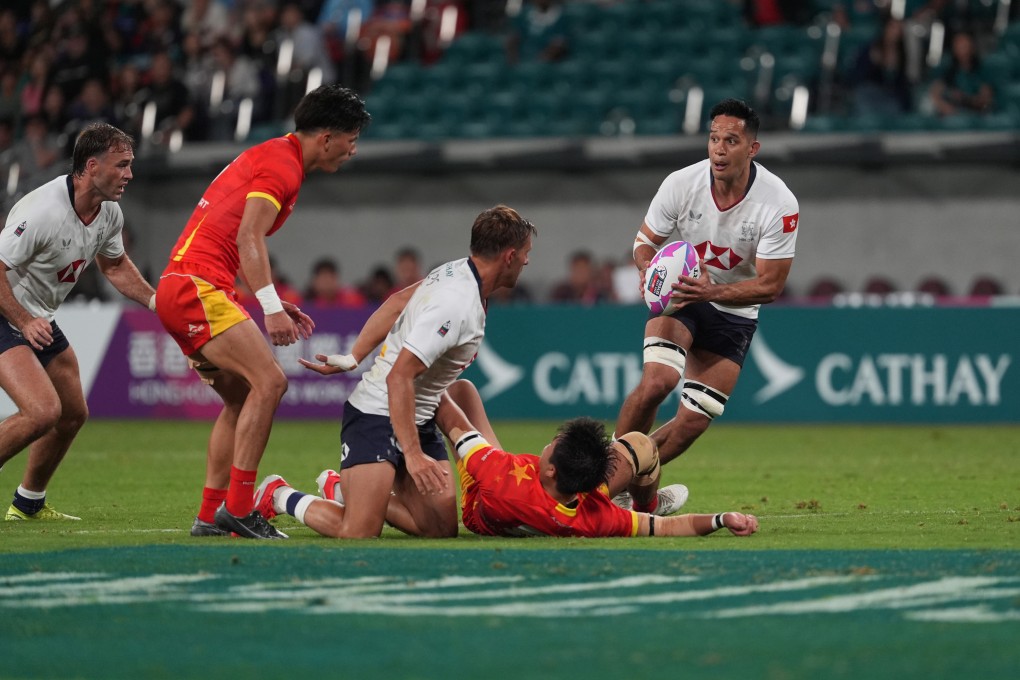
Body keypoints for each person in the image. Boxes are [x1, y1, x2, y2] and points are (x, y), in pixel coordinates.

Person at [154, 84, 371, 539]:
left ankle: (211, 513)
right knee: (270, 382)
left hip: (187, 286)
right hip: (197, 287)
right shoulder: (283, 166)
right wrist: (270, 309)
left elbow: (227, 236)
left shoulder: (275, 156)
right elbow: (248, 236)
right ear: (326, 137)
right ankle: (239, 508)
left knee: (240, 398)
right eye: (351, 138)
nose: (353, 150)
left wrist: (267, 299)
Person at [255, 205, 537, 540]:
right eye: (525, 254)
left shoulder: (458, 272)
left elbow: (398, 301)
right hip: (376, 413)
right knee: (359, 531)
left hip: (418, 415)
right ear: (509, 256)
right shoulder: (455, 305)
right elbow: (398, 377)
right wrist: (414, 455)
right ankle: (278, 494)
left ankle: (344, 488)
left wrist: (353, 356)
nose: (527, 261)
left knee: (440, 530)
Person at [615, 98, 798, 511]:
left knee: (692, 422)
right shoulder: (681, 183)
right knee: (657, 383)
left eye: (731, 140)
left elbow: (770, 285)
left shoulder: (779, 203)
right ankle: (602, 481)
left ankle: (629, 493)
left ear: (752, 148)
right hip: (682, 296)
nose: (718, 148)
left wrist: (711, 292)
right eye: (714, 138)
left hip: (734, 311)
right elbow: (644, 242)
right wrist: (647, 268)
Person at [0, 122, 156, 521]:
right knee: (41, 412)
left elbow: (116, 265)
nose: (129, 174)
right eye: (121, 165)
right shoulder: (43, 211)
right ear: (91, 166)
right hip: (7, 312)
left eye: (130, 165)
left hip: (37, 316)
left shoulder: (109, 214)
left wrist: (157, 301)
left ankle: (28, 502)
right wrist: (22, 318)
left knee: (72, 413)